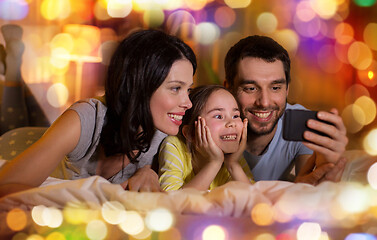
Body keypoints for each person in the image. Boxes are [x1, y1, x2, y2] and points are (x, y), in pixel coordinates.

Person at [0, 29, 197, 197]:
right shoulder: (87, 119)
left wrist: (149, 172)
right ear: (141, 85)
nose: (187, 103)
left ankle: (13, 70)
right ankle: (13, 72)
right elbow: (6, 188)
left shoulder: (166, 138)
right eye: (175, 88)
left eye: (188, 90)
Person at [224, 35, 348, 185]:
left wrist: (325, 170)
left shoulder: (301, 125)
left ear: (287, 89)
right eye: (250, 88)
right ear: (228, 89)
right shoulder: (211, 122)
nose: (264, 102)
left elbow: (309, 186)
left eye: (275, 88)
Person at [158, 85, 254, 191]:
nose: (231, 123)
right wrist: (214, 162)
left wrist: (233, 165)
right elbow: (171, 201)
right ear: (191, 133)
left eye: (235, 116)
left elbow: (257, 201)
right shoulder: (174, 146)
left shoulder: (234, 156)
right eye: (218, 116)